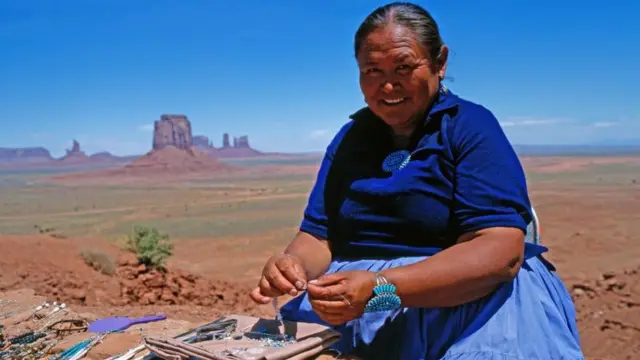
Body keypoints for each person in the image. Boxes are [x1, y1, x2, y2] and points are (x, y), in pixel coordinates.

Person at [250, 2, 585, 359]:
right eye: (372, 70)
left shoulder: (469, 127)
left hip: (463, 302)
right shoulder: (350, 139)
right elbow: (318, 236)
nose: (388, 84)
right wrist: (293, 266)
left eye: (404, 67)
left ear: (440, 63)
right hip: (355, 301)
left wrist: (380, 291)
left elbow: (500, 252)